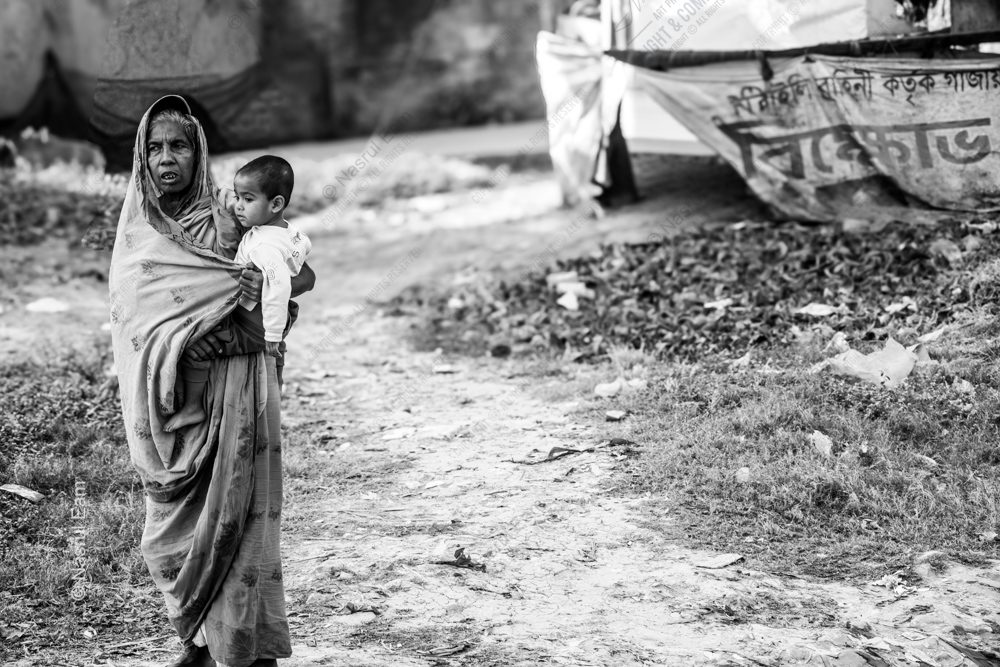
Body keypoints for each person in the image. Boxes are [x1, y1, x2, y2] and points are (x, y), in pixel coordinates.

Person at [109, 95, 314, 667]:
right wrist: (188, 334)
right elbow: (135, 323)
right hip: (172, 403)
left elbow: (297, 276)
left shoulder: (228, 218)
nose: (166, 158)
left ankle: (247, 645)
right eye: (155, 147)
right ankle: (198, 640)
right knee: (167, 536)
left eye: (179, 145)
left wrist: (247, 299)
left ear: (198, 153)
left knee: (240, 517)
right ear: (141, 157)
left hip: (235, 393)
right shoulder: (137, 238)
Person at [163, 155, 312, 433]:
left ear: (276, 204)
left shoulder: (264, 246)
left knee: (196, 347)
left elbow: (279, 287)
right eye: (238, 197)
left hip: (256, 323)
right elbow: (303, 249)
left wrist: (273, 337)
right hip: (263, 318)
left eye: (247, 199)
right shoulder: (287, 233)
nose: (239, 206)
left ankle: (193, 407)